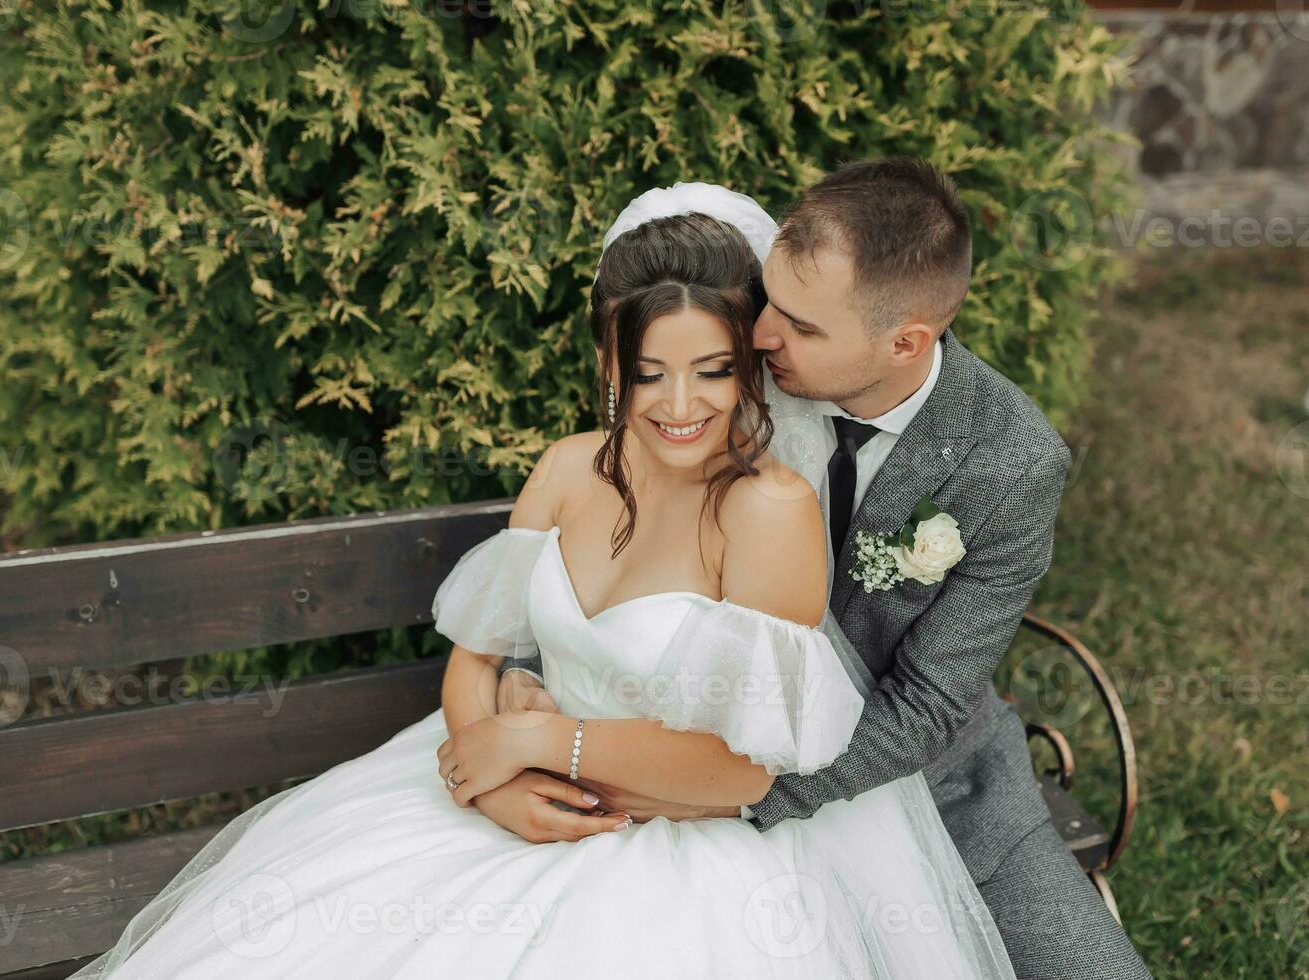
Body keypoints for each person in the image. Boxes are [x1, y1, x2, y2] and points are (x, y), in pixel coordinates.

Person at [68, 181, 1015, 978]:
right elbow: (476, 659)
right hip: (506, 782)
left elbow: (742, 767)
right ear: (610, 361)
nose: (679, 407)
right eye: (648, 374)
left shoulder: (765, 511)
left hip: (683, 841)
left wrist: (545, 739)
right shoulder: (567, 470)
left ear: (752, 366)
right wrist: (488, 781)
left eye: (713, 372)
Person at [499, 158, 1152, 979]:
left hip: (928, 783)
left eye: (802, 326)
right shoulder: (726, 384)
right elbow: (597, 532)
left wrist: (734, 796)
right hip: (675, 755)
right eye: (770, 299)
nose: (762, 334)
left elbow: (927, 703)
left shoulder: (1009, 464)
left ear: (905, 341)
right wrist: (529, 698)